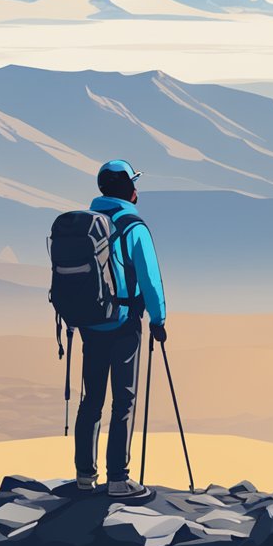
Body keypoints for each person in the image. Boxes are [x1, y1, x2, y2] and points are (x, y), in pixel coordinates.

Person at [74, 159, 167, 498]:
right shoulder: (133, 226)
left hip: (90, 322)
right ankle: (118, 479)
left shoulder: (87, 224)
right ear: (128, 188)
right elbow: (150, 281)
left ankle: (85, 476)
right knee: (123, 400)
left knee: (92, 399)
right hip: (125, 322)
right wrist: (158, 320)